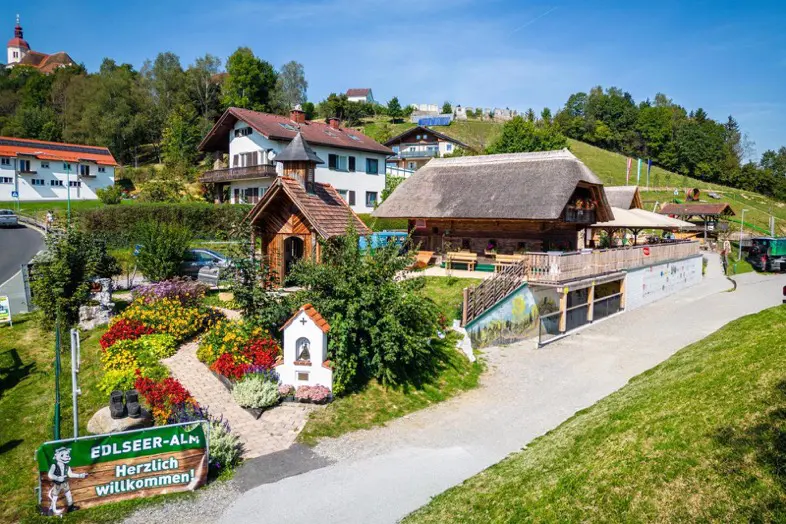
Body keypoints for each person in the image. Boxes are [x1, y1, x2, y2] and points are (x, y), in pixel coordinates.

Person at [47, 446, 88, 515]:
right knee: (55, 496)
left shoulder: (67, 466)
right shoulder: (54, 465)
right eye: (62, 455)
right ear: (57, 456)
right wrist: (57, 478)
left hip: (65, 483)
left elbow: (70, 474)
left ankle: (70, 507)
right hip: (57, 484)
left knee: (68, 494)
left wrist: (81, 475)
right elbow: (50, 474)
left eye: (67, 455)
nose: (66, 457)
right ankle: (51, 508)